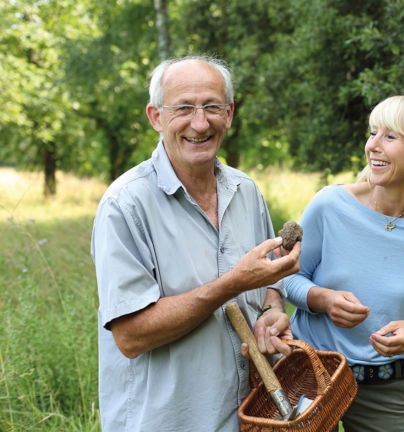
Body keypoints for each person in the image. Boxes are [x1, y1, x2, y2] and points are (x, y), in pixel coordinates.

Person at [91, 55, 301, 432]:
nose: (200, 123)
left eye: (212, 108)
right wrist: (233, 285)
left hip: (246, 417)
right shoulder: (125, 205)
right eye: (184, 108)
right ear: (156, 117)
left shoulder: (245, 191)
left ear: (230, 113)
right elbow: (131, 335)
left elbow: (269, 280)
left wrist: (271, 308)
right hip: (168, 422)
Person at [284, 95, 404, 432]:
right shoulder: (330, 204)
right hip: (307, 374)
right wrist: (324, 300)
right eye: (372, 133)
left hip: (384, 386)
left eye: (390, 136)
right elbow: (291, 278)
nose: (373, 146)